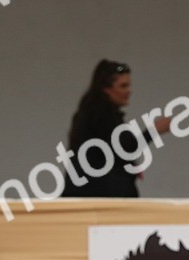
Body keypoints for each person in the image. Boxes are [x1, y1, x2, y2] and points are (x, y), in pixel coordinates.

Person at [61, 59, 169, 198]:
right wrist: (154, 130)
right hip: (100, 197)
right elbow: (124, 148)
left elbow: (113, 151)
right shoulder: (100, 115)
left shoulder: (93, 114)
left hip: (93, 194)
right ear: (106, 89)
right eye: (123, 86)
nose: (129, 91)